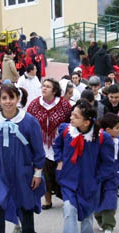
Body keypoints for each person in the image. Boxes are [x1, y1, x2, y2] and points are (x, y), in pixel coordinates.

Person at [0, 84, 46, 233]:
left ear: (18, 99)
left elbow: (38, 150)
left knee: (25, 204)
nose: (8, 102)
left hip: (23, 171)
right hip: (2, 172)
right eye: (4, 98)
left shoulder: (29, 121)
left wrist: (37, 173)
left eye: (11, 98)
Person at [53, 100, 115, 233]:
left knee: (87, 210)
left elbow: (108, 164)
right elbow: (57, 146)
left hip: (89, 182)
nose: (71, 118)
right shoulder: (66, 130)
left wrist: (96, 179)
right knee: (69, 209)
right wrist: (59, 161)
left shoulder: (102, 138)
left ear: (87, 122)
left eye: (76, 116)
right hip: (68, 180)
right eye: (72, 114)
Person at [27, 78, 72, 209]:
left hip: (59, 143)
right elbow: (29, 122)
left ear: (55, 90)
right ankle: (47, 199)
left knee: (60, 171)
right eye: (43, 86)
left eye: (48, 86)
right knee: (44, 171)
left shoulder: (64, 105)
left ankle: (66, 197)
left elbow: (71, 122)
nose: (44, 88)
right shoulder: (35, 104)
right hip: (41, 144)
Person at [95, 112, 119, 233]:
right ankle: (100, 219)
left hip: (113, 173)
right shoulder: (98, 139)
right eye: (117, 127)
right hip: (98, 174)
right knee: (97, 198)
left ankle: (108, 226)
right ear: (108, 130)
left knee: (110, 198)